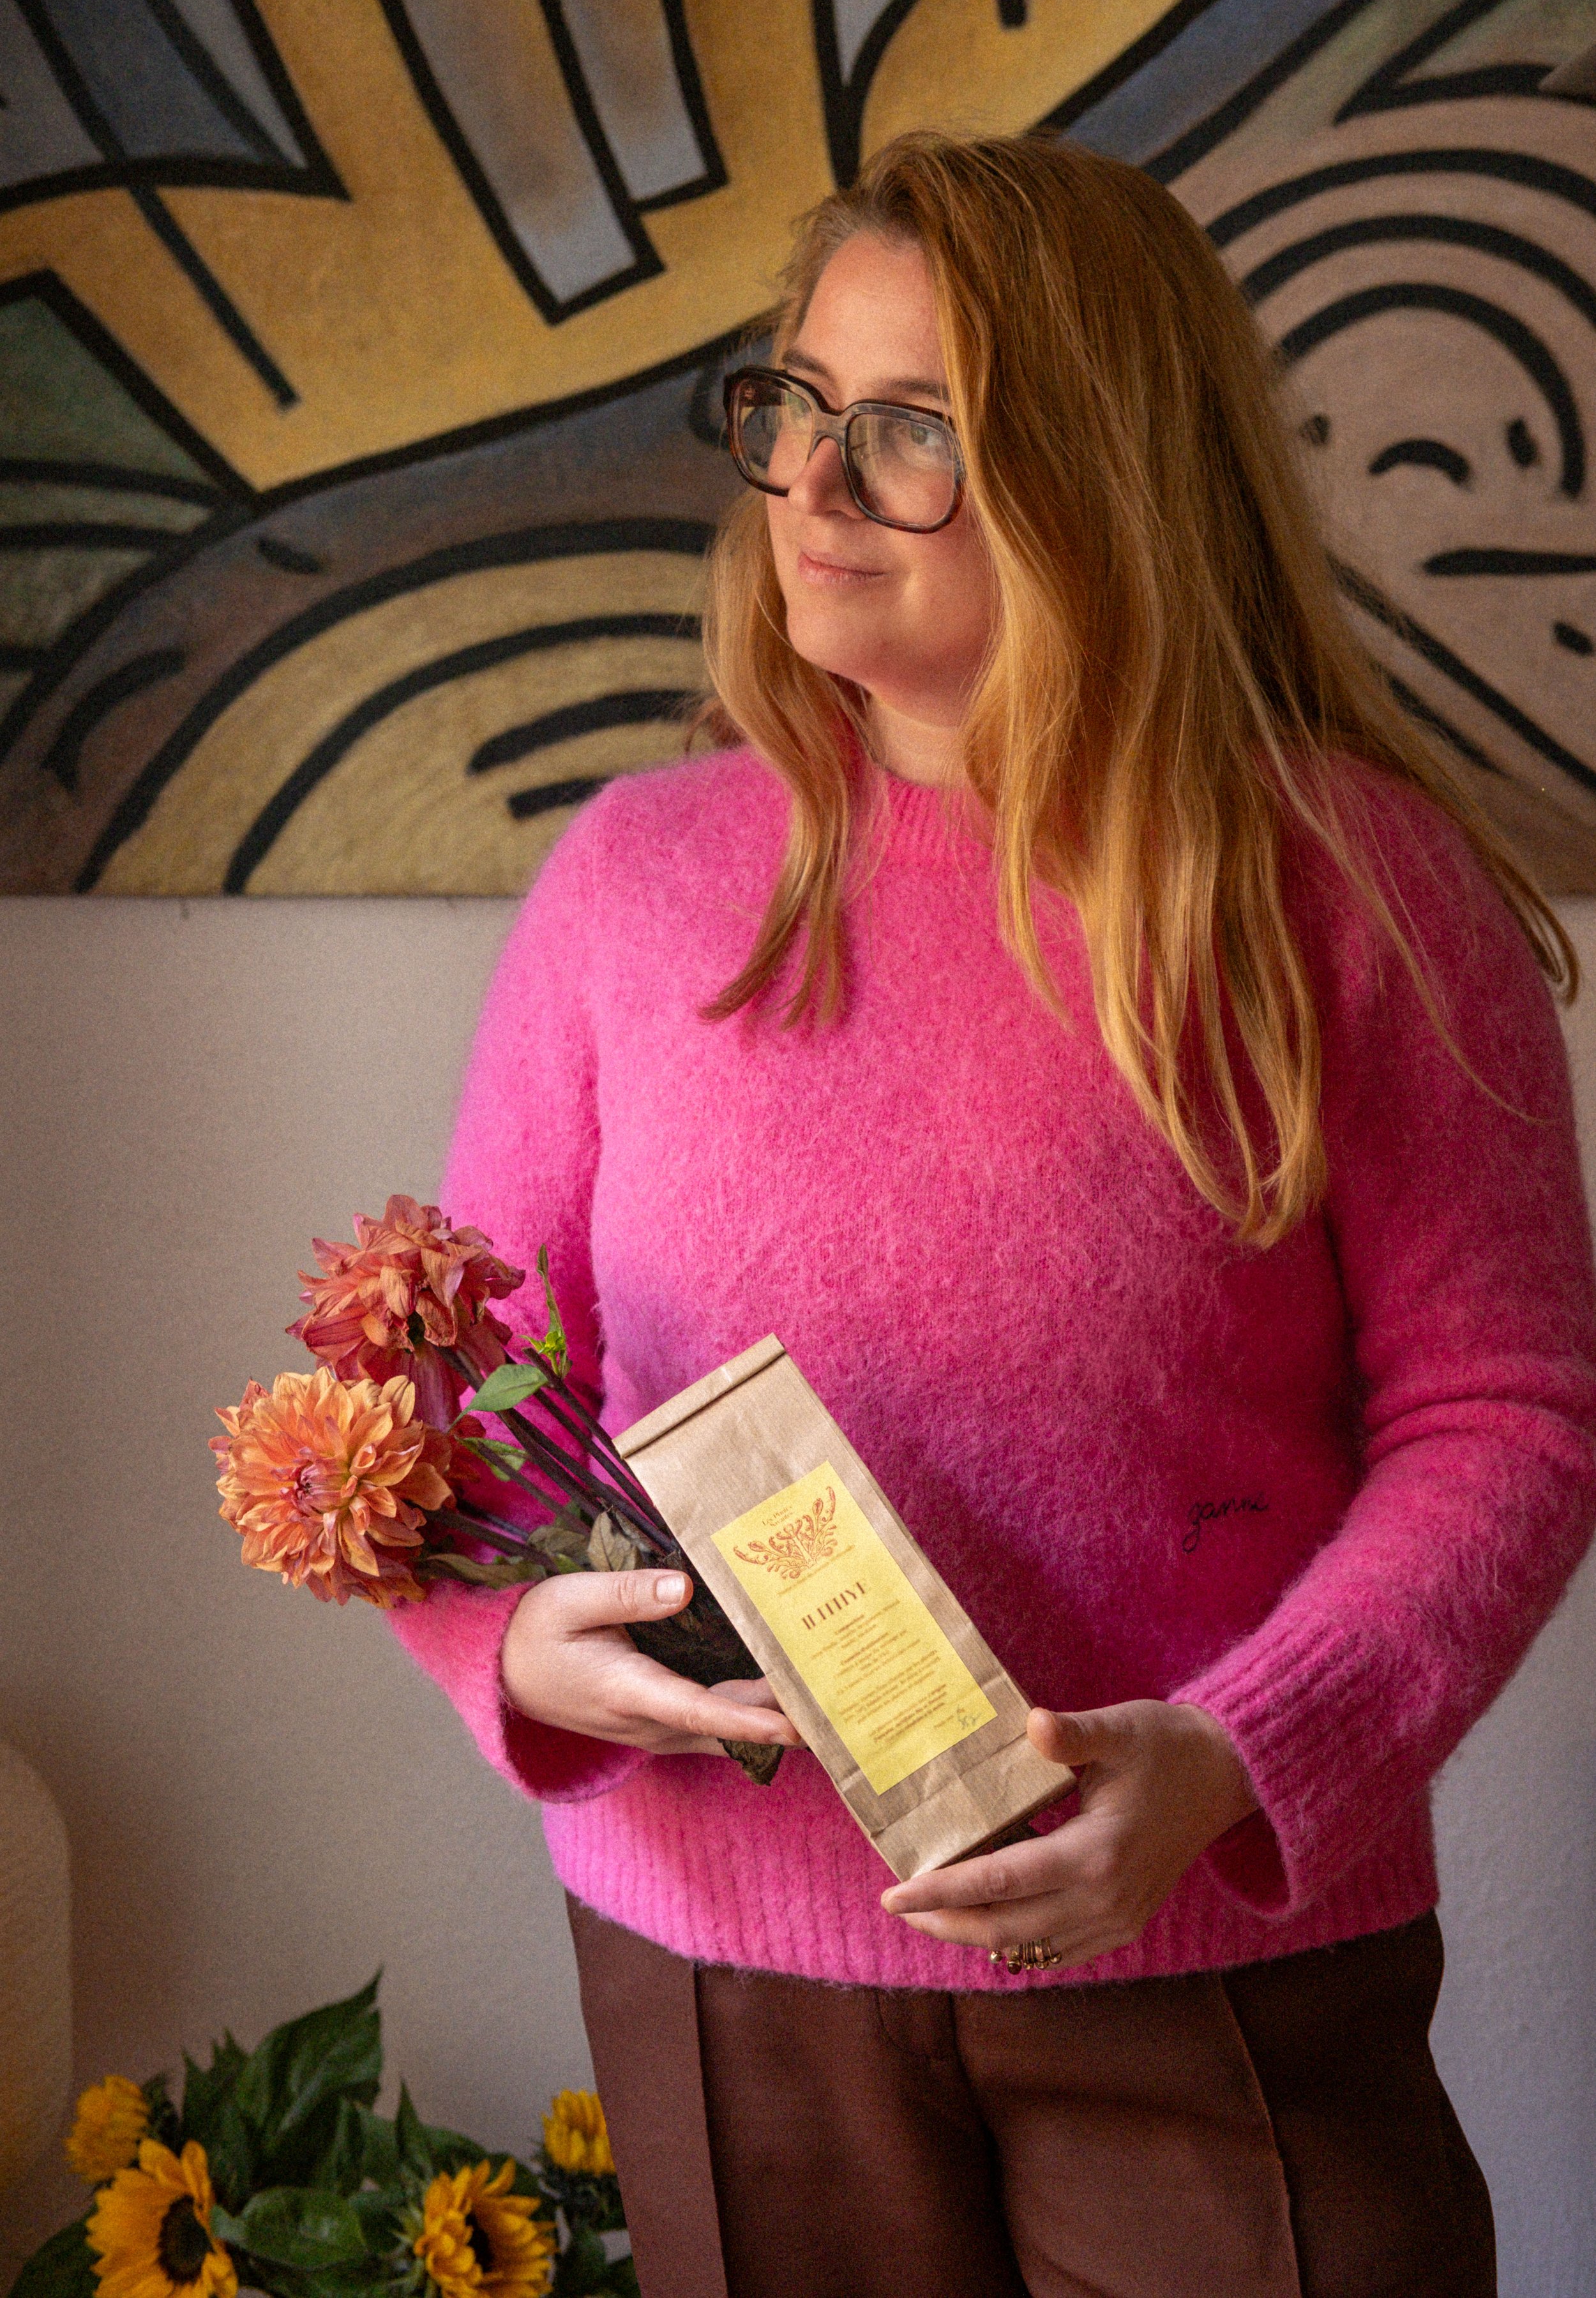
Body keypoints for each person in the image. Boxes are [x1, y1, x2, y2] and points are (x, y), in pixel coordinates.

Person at [390, 133, 1596, 2298]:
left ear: (1108, 470)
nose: (814, 490)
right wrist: (510, 1645)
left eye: (913, 432)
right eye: (795, 408)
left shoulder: (1347, 881)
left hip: (1213, 1955)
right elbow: (454, 1395)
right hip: (730, 1977)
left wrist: (1237, 1760)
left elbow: (1507, 1415)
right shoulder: (633, 884)